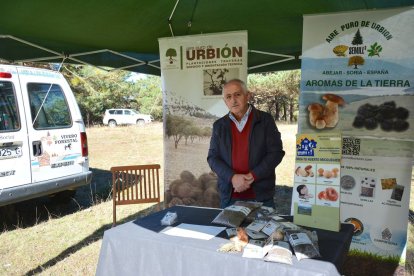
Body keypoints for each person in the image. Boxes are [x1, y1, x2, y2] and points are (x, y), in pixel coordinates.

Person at [207, 79, 285, 208]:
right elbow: (213, 158)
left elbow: (276, 153)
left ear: (247, 95)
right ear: (225, 101)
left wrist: (252, 176)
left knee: (264, 228)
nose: (233, 100)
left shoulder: (265, 120)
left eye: (238, 94)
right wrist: (232, 177)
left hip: (261, 196)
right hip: (230, 196)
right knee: (231, 229)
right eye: (228, 96)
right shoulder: (219, 126)